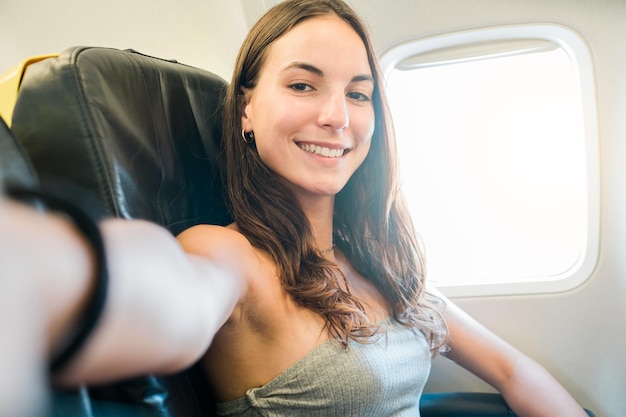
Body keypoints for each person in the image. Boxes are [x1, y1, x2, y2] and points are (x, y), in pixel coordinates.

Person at [0, 0, 589, 416]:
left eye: (358, 93)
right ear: (246, 111)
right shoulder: (227, 256)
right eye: (304, 85)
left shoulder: (382, 264)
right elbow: (166, 296)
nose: (337, 115)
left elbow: (514, 371)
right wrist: (45, 272)